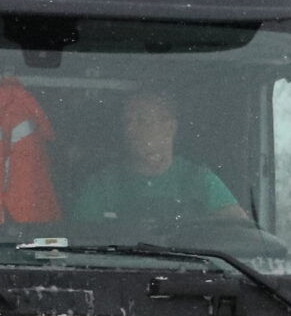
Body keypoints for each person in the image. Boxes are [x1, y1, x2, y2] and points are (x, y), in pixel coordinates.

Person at [69, 90, 248, 224]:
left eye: (141, 120)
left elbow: (238, 233)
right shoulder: (102, 185)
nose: (130, 129)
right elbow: (82, 243)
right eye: (127, 121)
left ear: (169, 128)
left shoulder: (199, 180)